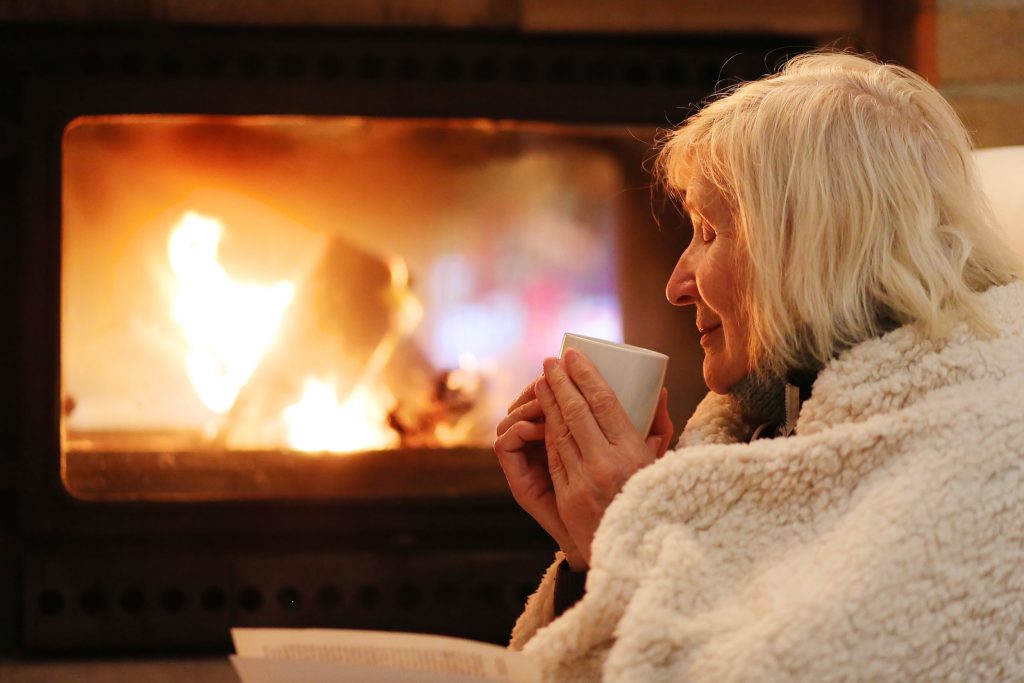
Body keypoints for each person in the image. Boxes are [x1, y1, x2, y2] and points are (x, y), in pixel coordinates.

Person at [493, 51, 1024, 682]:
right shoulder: (765, 416)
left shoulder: (990, 454)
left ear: (813, 249)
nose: (676, 285)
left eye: (710, 233)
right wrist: (597, 548)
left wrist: (624, 525)